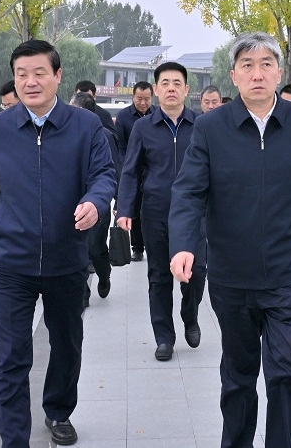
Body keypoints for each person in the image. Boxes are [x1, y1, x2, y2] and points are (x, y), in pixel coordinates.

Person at [168, 32, 291, 448]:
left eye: (266, 65)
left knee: (287, 374)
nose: (258, 74)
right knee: (238, 378)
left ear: (279, 72)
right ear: (234, 76)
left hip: (288, 280)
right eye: (247, 66)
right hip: (232, 278)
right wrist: (183, 244)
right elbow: (189, 191)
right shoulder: (210, 128)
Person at [0, 40, 117, 446]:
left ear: (57, 76)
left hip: (66, 259)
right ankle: (14, 438)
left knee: (67, 345)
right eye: (21, 75)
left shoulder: (85, 126)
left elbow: (104, 174)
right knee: (12, 354)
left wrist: (95, 202)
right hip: (11, 264)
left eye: (39, 73)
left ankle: (58, 410)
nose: (30, 82)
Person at [116, 62, 207, 361]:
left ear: (186, 89)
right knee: (159, 276)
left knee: (197, 273)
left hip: (195, 214)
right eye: (165, 83)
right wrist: (124, 208)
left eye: (177, 83)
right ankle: (164, 337)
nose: (171, 88)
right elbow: (130, 171)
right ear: (156, 89)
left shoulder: (202, 125)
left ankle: (190, 315)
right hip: (156, 212)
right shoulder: (143, 128)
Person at [73, 91, 121, 305]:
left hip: (98, 203)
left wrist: (119, 201)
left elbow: (114, 170)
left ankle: (104, 274)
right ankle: (82, 292)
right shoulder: (65, 135)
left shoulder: (105, 136)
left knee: (95, 246)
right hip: (72, 203)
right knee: (78, 249)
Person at [115, 81, 155, 262]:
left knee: (153, 208)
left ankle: (154, 244)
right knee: (136, 209)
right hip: (133, 170)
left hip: (153, 169)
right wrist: (126, 167)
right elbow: (120, 146)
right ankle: (137, 248)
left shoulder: (157, 115)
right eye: (139, 99)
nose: (143, 103)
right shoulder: (123, 116)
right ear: (133, 97)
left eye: (147, 99)